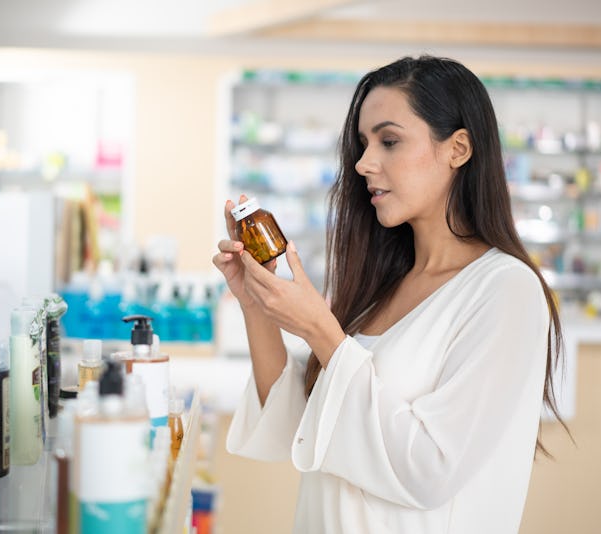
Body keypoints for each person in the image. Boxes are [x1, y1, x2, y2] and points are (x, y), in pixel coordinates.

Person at [212, 55, 567, 534]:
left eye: (390, 140)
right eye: (363, 143)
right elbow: (293, 421)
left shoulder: (506, 290)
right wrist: (257, 304)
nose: (363, 162)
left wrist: (320, 329)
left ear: (458, 148)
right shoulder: (382, 285)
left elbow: (429, 468)